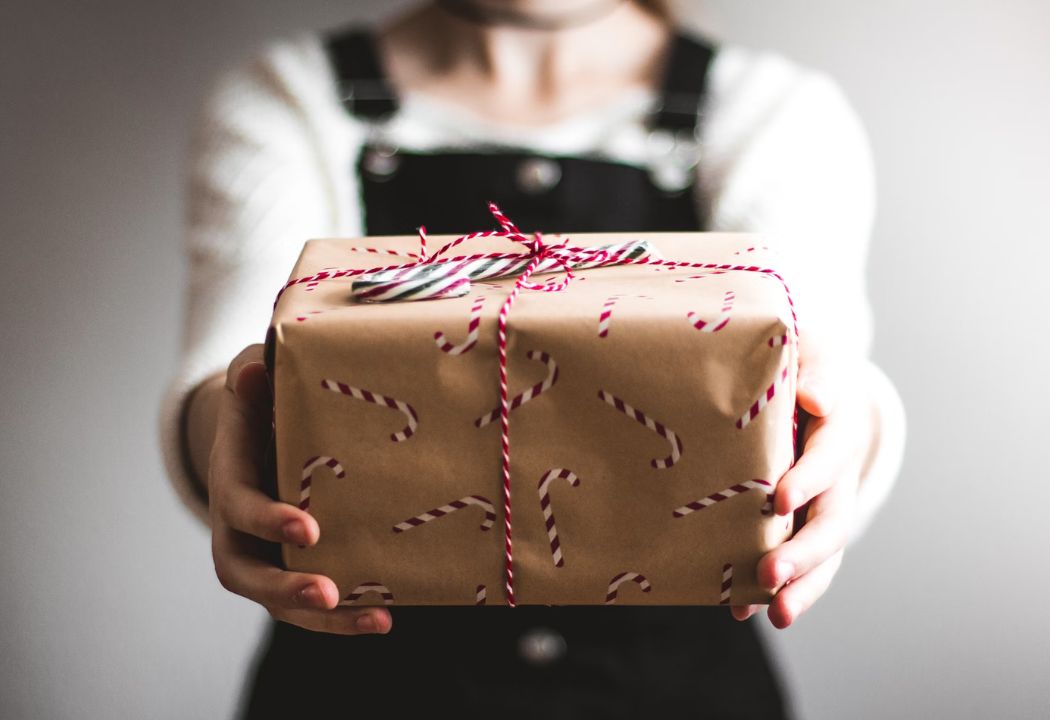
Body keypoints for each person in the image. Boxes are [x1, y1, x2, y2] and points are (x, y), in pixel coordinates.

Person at [160, 0, 906, 717]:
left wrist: (849, 426)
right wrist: (228, 434)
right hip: (359, 692)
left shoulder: (771, 111)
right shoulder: (290, 100)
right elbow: (237, 365)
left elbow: (818, 362)